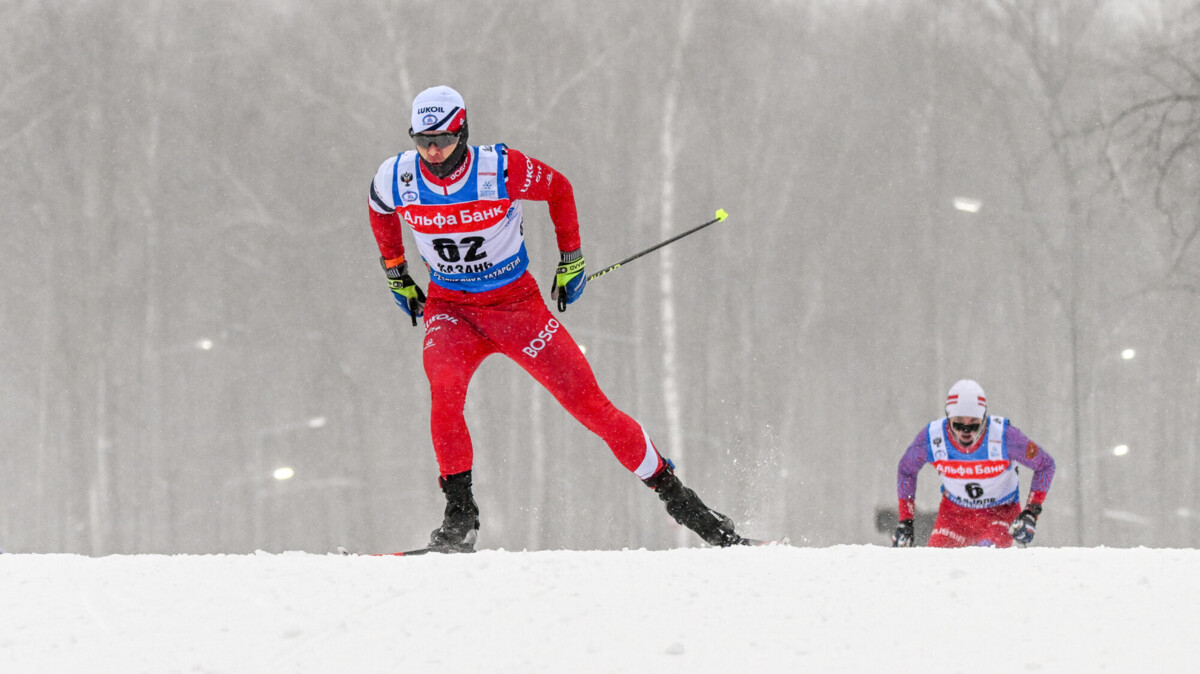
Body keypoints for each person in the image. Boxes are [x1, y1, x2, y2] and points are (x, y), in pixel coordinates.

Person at [367, 85, 749, 551]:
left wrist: (572, 260)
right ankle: (459, 518)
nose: (433, 151)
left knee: (591, 408)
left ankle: (688, 506)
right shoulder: (396, 177)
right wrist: (396, 272)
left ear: (463, 130)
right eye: (423, 140)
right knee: (444, 395)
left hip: (517, 308)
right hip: (452, 312)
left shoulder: (500, 168)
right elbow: (379, 209)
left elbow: (558, 188)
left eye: (443, 139)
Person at [892, 379, 1056, 548]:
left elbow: (1046, 465)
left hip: (999, 514)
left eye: (974, 425)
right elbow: (906, 470)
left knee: (982, 559)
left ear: (984, 419)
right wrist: (905, 521)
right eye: (958, 424)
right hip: (953, 516)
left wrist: (1031, 512)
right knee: (938, 564)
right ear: (947, 418)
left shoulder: (1004, 436)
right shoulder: (933, 438)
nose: (965, 431)